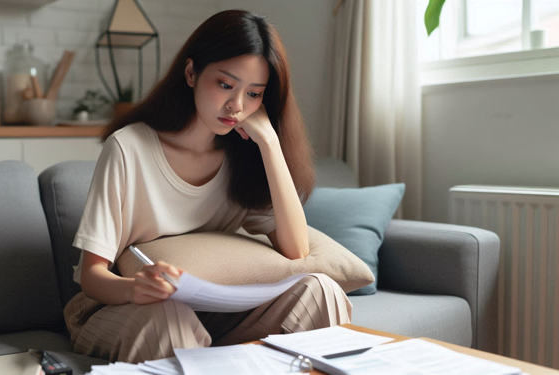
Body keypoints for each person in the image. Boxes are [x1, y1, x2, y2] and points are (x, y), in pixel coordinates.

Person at [64, 9, 353, 364]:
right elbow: (92, 277)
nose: (237, 105)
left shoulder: (243, 156)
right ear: (191, 73)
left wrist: (270, 144)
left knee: (322, 290)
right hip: (126, 311)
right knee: (170, 317)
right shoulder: (129, 148)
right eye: (225, 85)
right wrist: (136, 287)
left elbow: (296, 251)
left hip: (218, 316)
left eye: (254, 93)